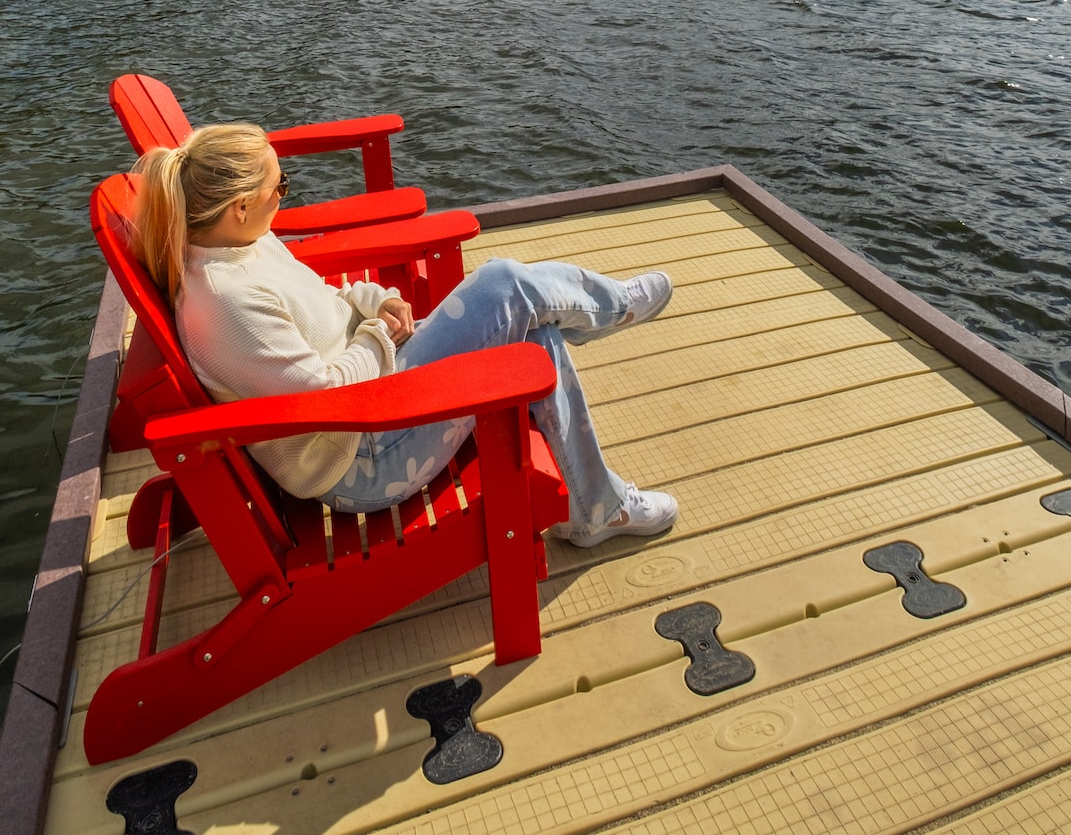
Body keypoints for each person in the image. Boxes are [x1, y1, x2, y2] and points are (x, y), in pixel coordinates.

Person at [133, 122, 679, 548]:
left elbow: (328, 301)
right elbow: (325, 399)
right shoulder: (228, 303)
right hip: (365, 458)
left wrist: (380, 302)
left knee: (534, 342)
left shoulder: (243, 242)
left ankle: (596, 508)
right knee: (503, 284)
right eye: (282, 187)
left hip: (379, 401)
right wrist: (377, 337)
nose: (286, 197)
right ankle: (609, 310)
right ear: (241, 205)